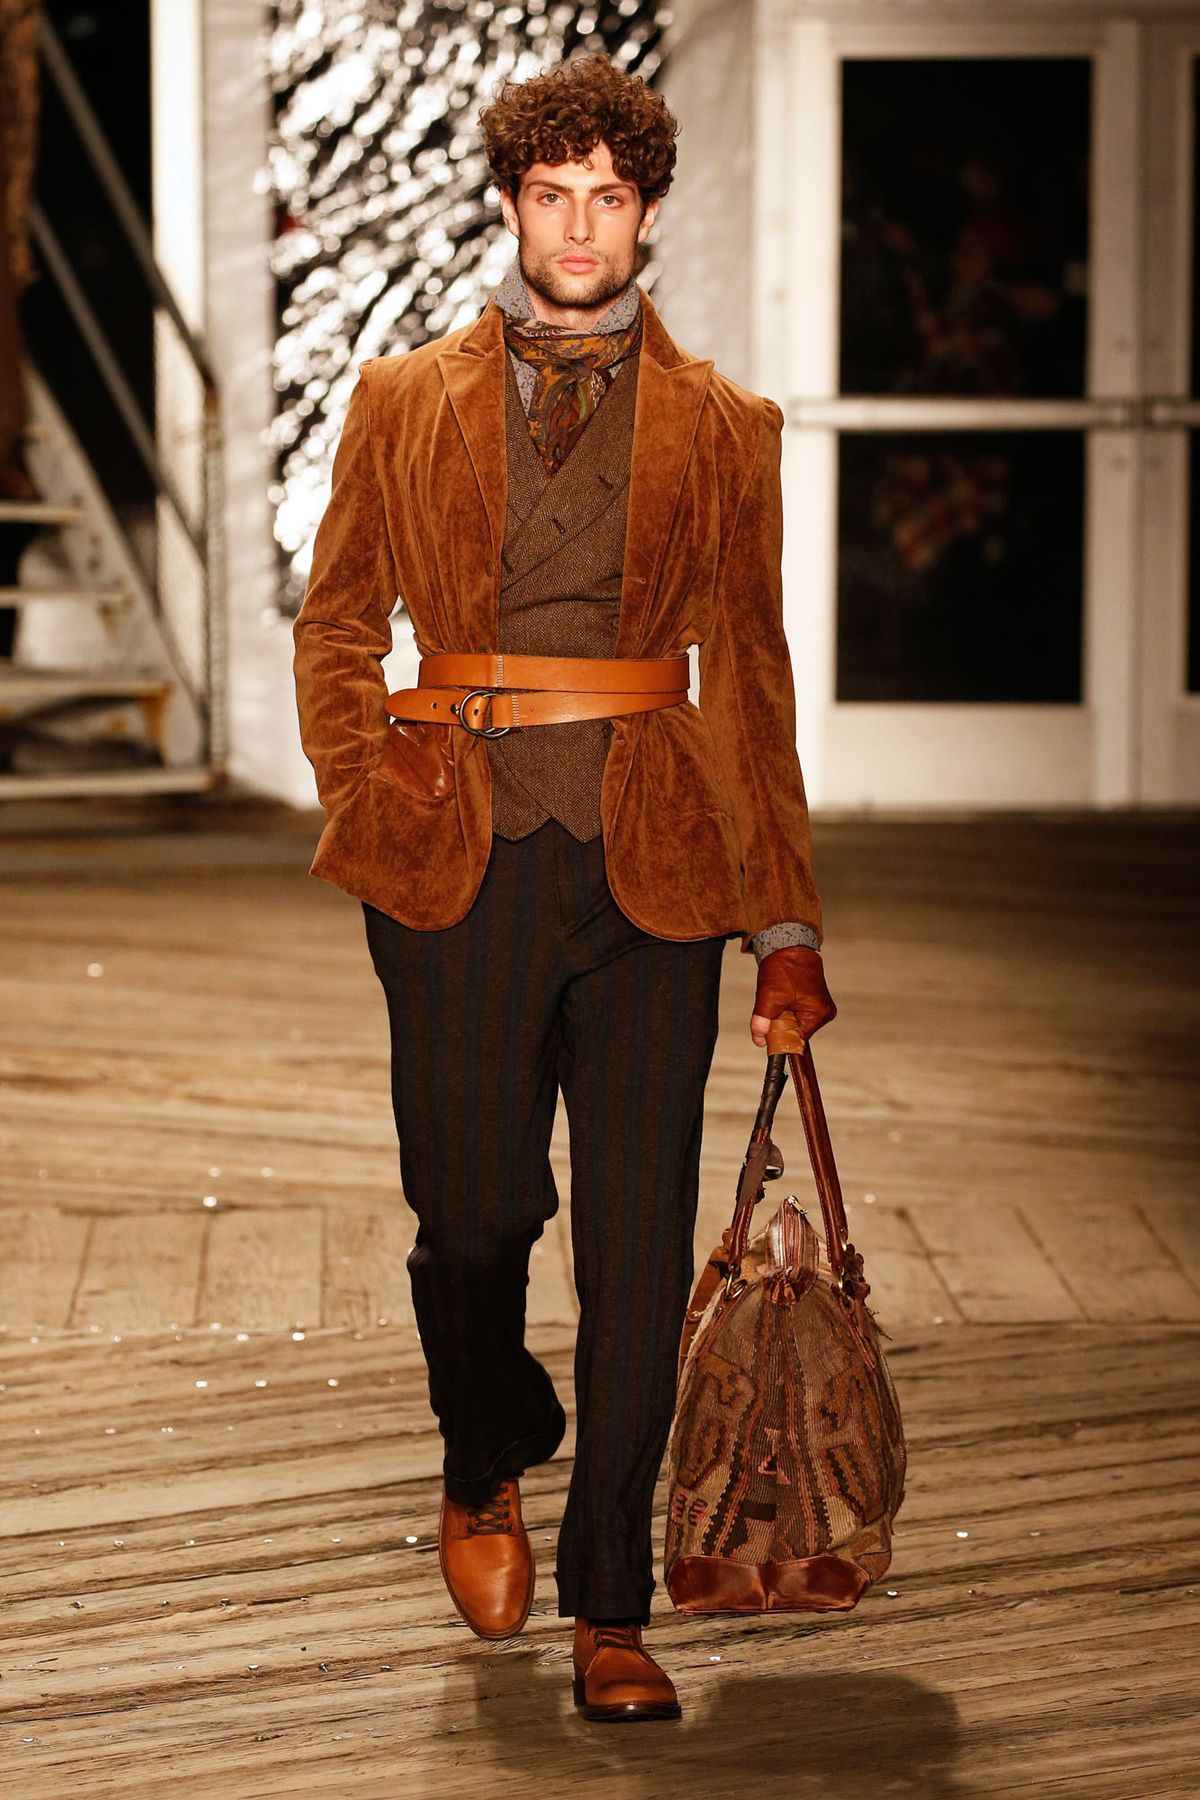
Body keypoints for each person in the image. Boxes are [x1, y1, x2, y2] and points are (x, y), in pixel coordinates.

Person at [292, 51, 836, 1724]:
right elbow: (337, 620)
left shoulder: (727, 428)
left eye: (609, 196)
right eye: (553, 195)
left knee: (636, 1243)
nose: (581, 226)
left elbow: (751, 679)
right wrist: (366, 765)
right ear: (512, 205)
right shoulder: (404, 398)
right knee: (470, 1216)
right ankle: (488, 1447)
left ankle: (611, 1603)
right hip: (456, 850)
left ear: (648, 212)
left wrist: (786, 924)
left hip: (653, 865)